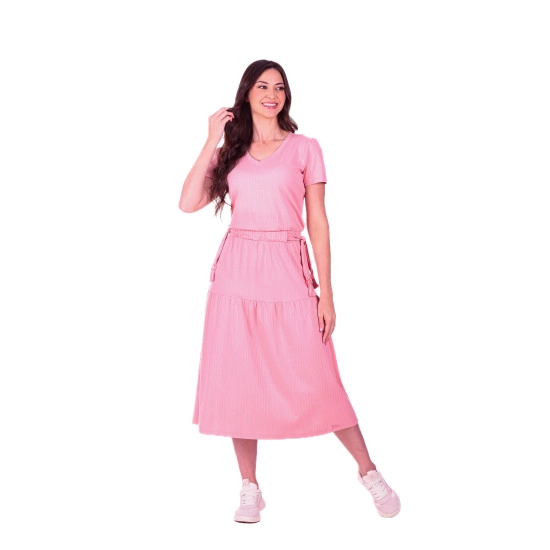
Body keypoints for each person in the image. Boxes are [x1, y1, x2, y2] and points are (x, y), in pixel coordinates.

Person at [179, 59, 400, 523]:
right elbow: (188, 202)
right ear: (246, 94)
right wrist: (210, 140)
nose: (272, 94)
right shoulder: (232, 152)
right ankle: (249, 487)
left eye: (279, 87)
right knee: (239, 379)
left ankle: (368, 471)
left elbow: (317, 220)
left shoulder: (304, 148)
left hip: (288, 268)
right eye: (262, 86)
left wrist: (327, 293)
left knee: (320, 377)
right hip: (237, 272)